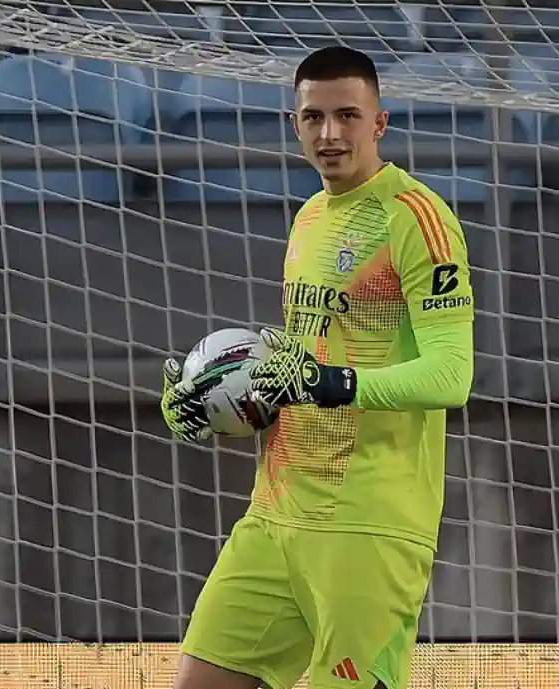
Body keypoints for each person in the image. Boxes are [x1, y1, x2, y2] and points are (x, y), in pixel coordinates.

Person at [161, 46, 475, 689]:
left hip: (367, 521)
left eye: (347, 115)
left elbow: (452, 374)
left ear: (379, 123)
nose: (330, 134)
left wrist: (333, 384)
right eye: (313, 117)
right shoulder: (308, 218)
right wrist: (216, 395)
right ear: (295, 122)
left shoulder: (417, 218)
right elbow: (303, 357)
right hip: (275, 512)